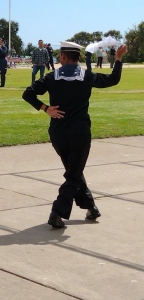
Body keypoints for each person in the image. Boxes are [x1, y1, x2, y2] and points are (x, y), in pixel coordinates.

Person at [22, 41, 128, 228]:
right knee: (74, 174)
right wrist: (118, 58)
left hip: (58, 133)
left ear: (63, 56)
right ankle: (57, 212)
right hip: (80, 133)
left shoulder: (51, 77)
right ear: (78, 58)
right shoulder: (87, 76)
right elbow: (113, 79)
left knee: (74, 172)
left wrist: (46, 108)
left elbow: (28, 93)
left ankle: (91, 207)